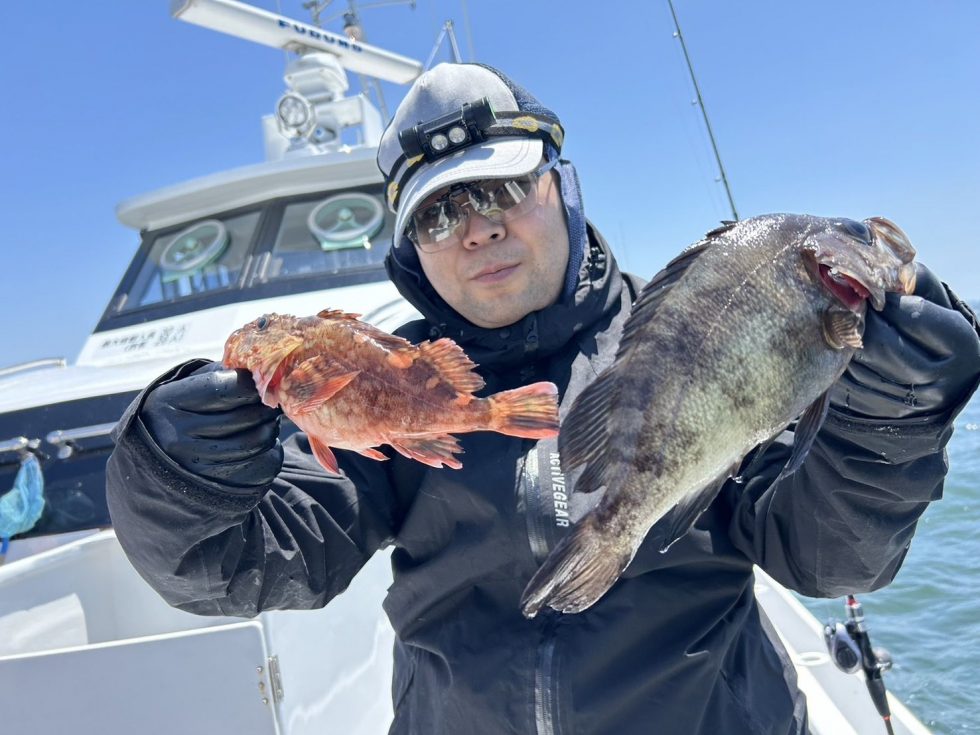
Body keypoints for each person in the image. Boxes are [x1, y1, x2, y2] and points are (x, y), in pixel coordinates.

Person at [106, 63, 980, 735]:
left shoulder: (688, 334)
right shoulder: (395, 384)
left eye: (500, 190)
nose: (478, 227)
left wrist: (889, 420)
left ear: (560, 186)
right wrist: (173, 475)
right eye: (439, 214)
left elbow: (831, 561)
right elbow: (238, 567)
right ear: (414, 250)